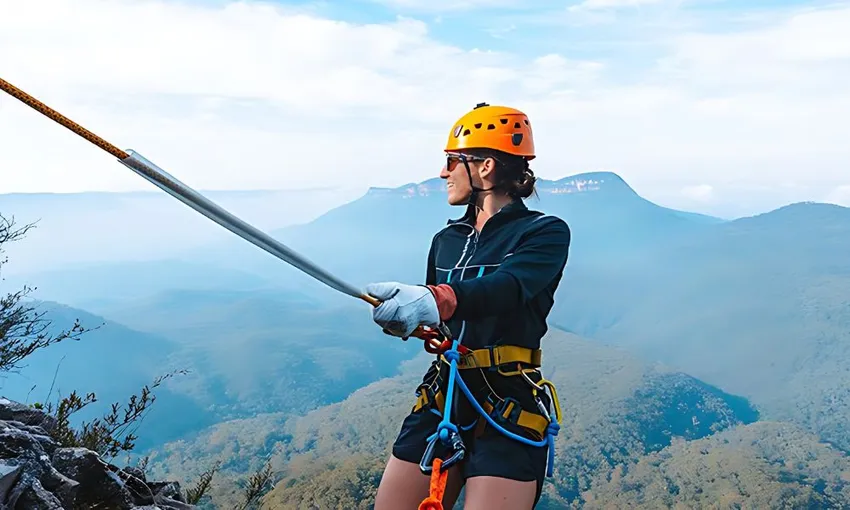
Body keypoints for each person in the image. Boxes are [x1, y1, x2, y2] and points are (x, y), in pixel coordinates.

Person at [365, 102, 571, 510]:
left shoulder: (544, 233)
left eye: (450, 161)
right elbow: (441, 318)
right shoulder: (447, 239)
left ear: (485, 167)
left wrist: (436, 299)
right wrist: (413, 319)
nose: (442, 173)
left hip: (508, 401)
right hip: (443, 394)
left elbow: (508, 287)